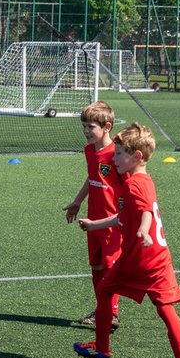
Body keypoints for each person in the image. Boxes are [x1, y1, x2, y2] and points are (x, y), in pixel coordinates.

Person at [73, 123, 180, 358]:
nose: (114, 158)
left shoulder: (133, 185)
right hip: (160, 259)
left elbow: (146, 211)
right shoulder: (144, 180)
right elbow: (124, 217)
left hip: (138, 258)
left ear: (137, 156)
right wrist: (95, 224)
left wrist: (142, 230)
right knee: (165, 308)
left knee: (104, 290)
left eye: (119, 154)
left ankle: (101, 349)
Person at [62, 101, 123, 331]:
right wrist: (77, 201)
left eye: (91, 127)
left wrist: (127, 214)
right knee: (96, 267)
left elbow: (129, 186)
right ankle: (102, 309)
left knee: (109, 267)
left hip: (112, 221)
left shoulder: (117, 154)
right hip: (92, 220)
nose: (86, 131)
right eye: (84, 126)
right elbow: (93, 177)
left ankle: (112, 313)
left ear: (107, 127)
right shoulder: (90, 151)